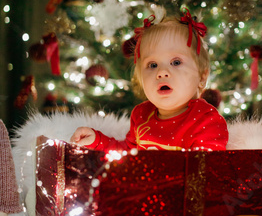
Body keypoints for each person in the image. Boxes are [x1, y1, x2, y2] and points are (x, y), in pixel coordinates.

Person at [70, 9, 228, 151]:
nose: (162, 72)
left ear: (202, 76)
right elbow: (127, 153)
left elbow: (206, 171)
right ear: (140, 78)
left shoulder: (205, 120)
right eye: (152, 65)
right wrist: (98, 141)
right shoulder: (141, 115)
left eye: (176, 62)